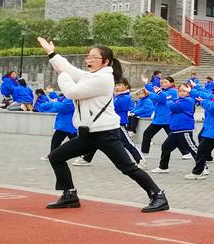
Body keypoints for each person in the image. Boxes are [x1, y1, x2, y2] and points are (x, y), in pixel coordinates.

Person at [38, 37, 167, 212]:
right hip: (87, 134)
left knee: (127, 167)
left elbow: (71, 92)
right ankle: (69, 194)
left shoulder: (104, 79)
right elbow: (68, 68)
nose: (88, 60)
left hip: (105, 133)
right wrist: (52, 53)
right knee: (56, 157)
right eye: (88, 56)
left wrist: (62, 76)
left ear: (106, 62)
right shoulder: (90, 76)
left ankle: (158, 195)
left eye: (93, 57)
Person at [150, 83, 200, 173]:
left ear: (189, 92)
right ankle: (163, 167)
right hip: (176, 130)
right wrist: (160, 93)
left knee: (193, 149)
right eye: (180, 91)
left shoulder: (188, 100)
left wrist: (168, 100)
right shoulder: (179, 100)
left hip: (184, 129)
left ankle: (203, 167)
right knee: (165, 147)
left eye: (184, 91)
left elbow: (172, 107)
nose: (181, 93)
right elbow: (170, 98)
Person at [34, 93, 76, 161]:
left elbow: (63, 108)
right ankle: (52, 155)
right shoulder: (69, 97)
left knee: (75, 142)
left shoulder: (71, 97)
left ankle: (86, 156)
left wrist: (55, 103)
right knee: (56, 140)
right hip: (66, 124)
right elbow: (60, 101)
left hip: (68, 124)